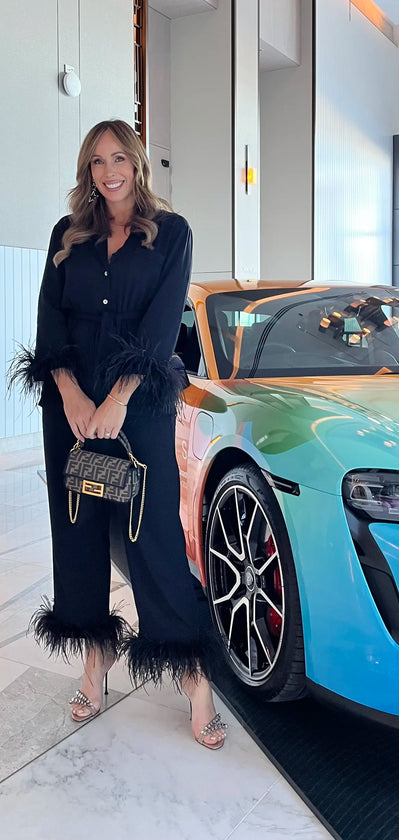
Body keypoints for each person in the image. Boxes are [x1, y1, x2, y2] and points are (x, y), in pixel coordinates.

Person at [11, 119, 226, 749]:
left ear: (137, 164)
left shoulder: (172, 233)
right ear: (88, 170)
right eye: (98, 161)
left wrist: (118, 399)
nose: (109, 172)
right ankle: (94, 658)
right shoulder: (68, 234)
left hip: (140, 405)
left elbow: (161, 328)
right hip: (72, 406)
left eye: (119, 159)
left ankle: (192, 674)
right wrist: (73, 395)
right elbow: (50, 319)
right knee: (77, 531)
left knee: (153, 534)